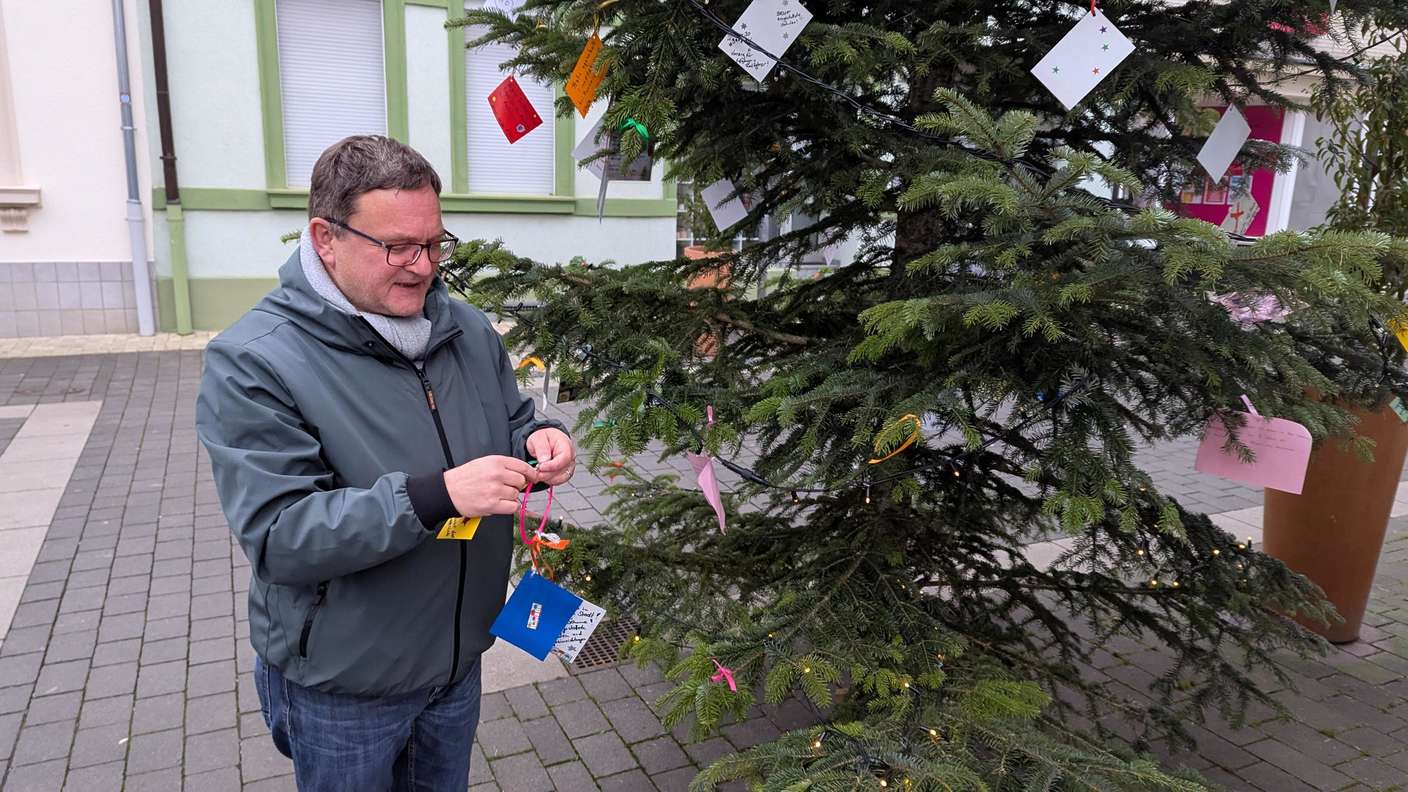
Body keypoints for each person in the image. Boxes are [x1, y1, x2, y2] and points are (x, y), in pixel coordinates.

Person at [195, 135, 575, 791]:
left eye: (433, 243)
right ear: (326, 238)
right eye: (397, 247)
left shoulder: (466, 329)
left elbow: (510, 419)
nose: (422, 267)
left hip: (456, 660)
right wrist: (436, 496)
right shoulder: (255, 359)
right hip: (347, 685)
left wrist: (540, 438)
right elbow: (281, 536)